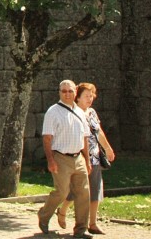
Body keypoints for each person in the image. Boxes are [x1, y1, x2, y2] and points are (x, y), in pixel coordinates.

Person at [57, 82, 116, 235]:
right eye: (86, 96)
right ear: (78, 97)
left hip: (94, 157)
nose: (90, 99)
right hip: (79, 158)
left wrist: (107, 148)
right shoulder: (73, 113)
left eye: (92, 96)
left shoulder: (92, 113)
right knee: (76, 190)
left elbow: (99, 132)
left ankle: (93, 223)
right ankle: (62, 210)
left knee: (95, 189)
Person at [37, 79, 92, 238]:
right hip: (60, 157)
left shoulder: (81, 112)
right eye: (64, 91)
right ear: (59, 93)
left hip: (78, 157)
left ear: (75, 91)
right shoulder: (53, 112)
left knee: (83, 194)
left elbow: (85, 138)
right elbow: (47, 138)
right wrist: (50, 160)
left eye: (70, 91)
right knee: (61, 192)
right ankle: (44, 215)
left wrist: (87, 160)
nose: (67, 94)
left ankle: (81, 230)